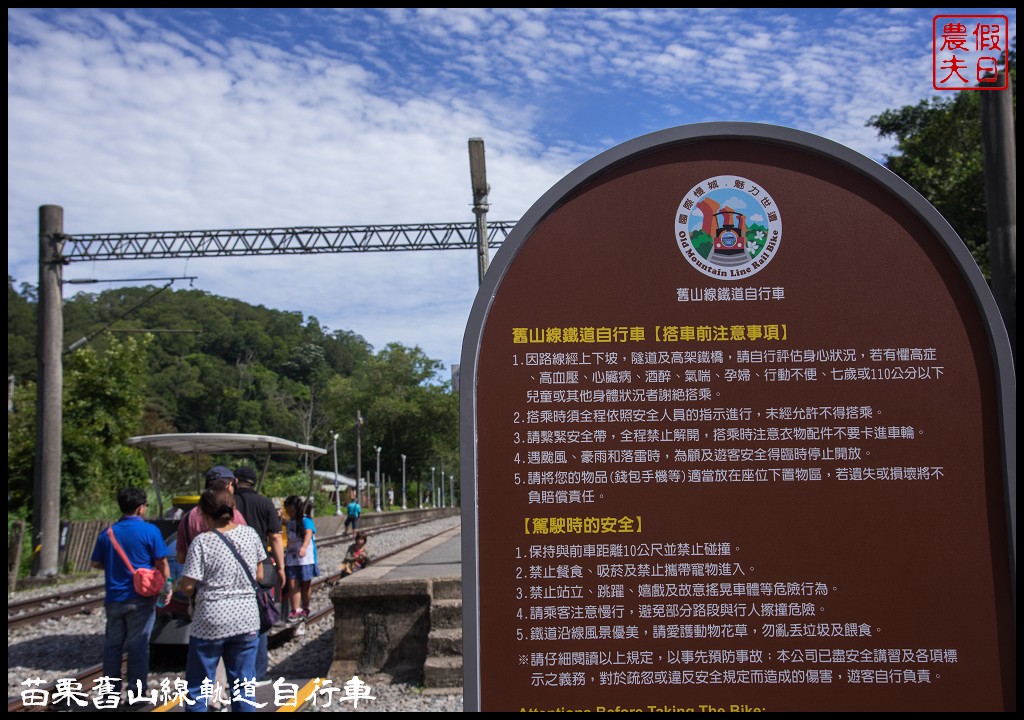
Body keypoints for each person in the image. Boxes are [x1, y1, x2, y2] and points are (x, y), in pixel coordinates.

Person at [179, 487, 265, 713]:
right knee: (243, 686)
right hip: (246, 618)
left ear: (204, 514)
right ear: (233, 509)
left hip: (211, 621)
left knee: (198, 687)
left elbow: (188, 587)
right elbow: (260, 575)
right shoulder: (251, 534)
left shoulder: (201, 542)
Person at [89, 487, 171, 700]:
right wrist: (166, 585)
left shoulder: (107, 533)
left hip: (114, 598)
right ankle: (136, 692)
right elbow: (161, 561)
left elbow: (96, 563)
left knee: (113, 646)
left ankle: (110, 693)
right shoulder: (150, 531)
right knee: (138, 645)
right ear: (140, 508)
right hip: (141, 598)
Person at [232, 464, 285, 684]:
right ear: (254, 482)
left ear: (235, 481)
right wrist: (281, 567)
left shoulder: (229, 503)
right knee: (261, 616)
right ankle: (258, 671)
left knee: (234, 615)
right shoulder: (265, 504)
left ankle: (234, 670)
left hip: (233, 565)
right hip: (260, 565)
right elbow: (275, 537)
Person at [176, 466, 246, 565]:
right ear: (227, 486)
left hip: (197, 577)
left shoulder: (188, 517)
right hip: (228, 577)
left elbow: (181, 558)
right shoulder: (233, 515)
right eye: (232, 485)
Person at [282, 495, 318, 621]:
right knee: (292, 583)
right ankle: (296, 609)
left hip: (305, 558)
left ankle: (306, 606)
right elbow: (289, 526)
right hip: (292, 557)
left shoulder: (306, 520)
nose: (290, 513)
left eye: (292, 511)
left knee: (305, 584)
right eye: (288, 511)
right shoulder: (290, 521)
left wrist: (303, 547)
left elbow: (308, 532)